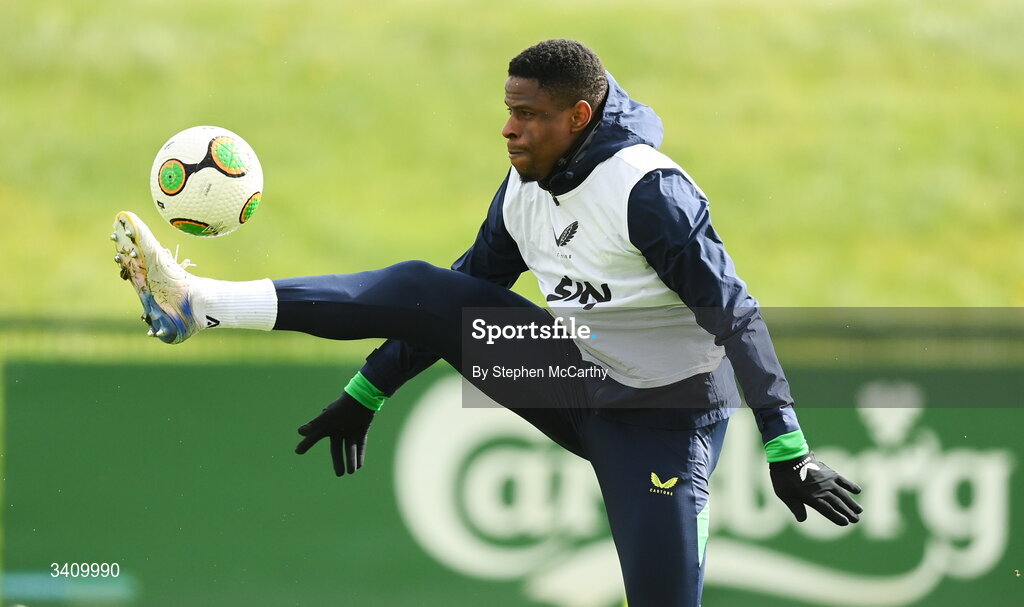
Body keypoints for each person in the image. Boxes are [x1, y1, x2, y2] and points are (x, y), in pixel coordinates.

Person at [112, 39, 861, 607]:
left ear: (579, 116)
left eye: (528, 115)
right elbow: (456, 295)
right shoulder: (524, 186)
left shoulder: (649, 194)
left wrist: (787, 447)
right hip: (569, 374)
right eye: (507, 110)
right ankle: (199, 302)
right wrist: (370, 388)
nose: (508, 129)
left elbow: (735, 313)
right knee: (424, 284)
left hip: (662, 422)